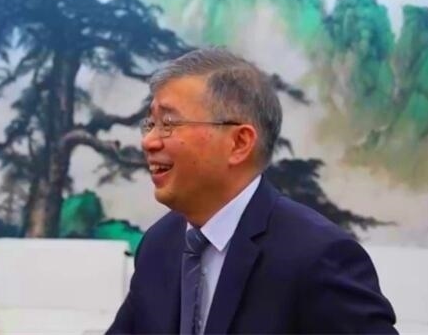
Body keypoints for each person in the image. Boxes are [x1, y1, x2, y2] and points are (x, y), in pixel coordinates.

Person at [107, 48, 396, 334]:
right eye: (151, 124)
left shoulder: (317, 256)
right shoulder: (159, 244)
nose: (149, 141)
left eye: (169, 123)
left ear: (239, 143)